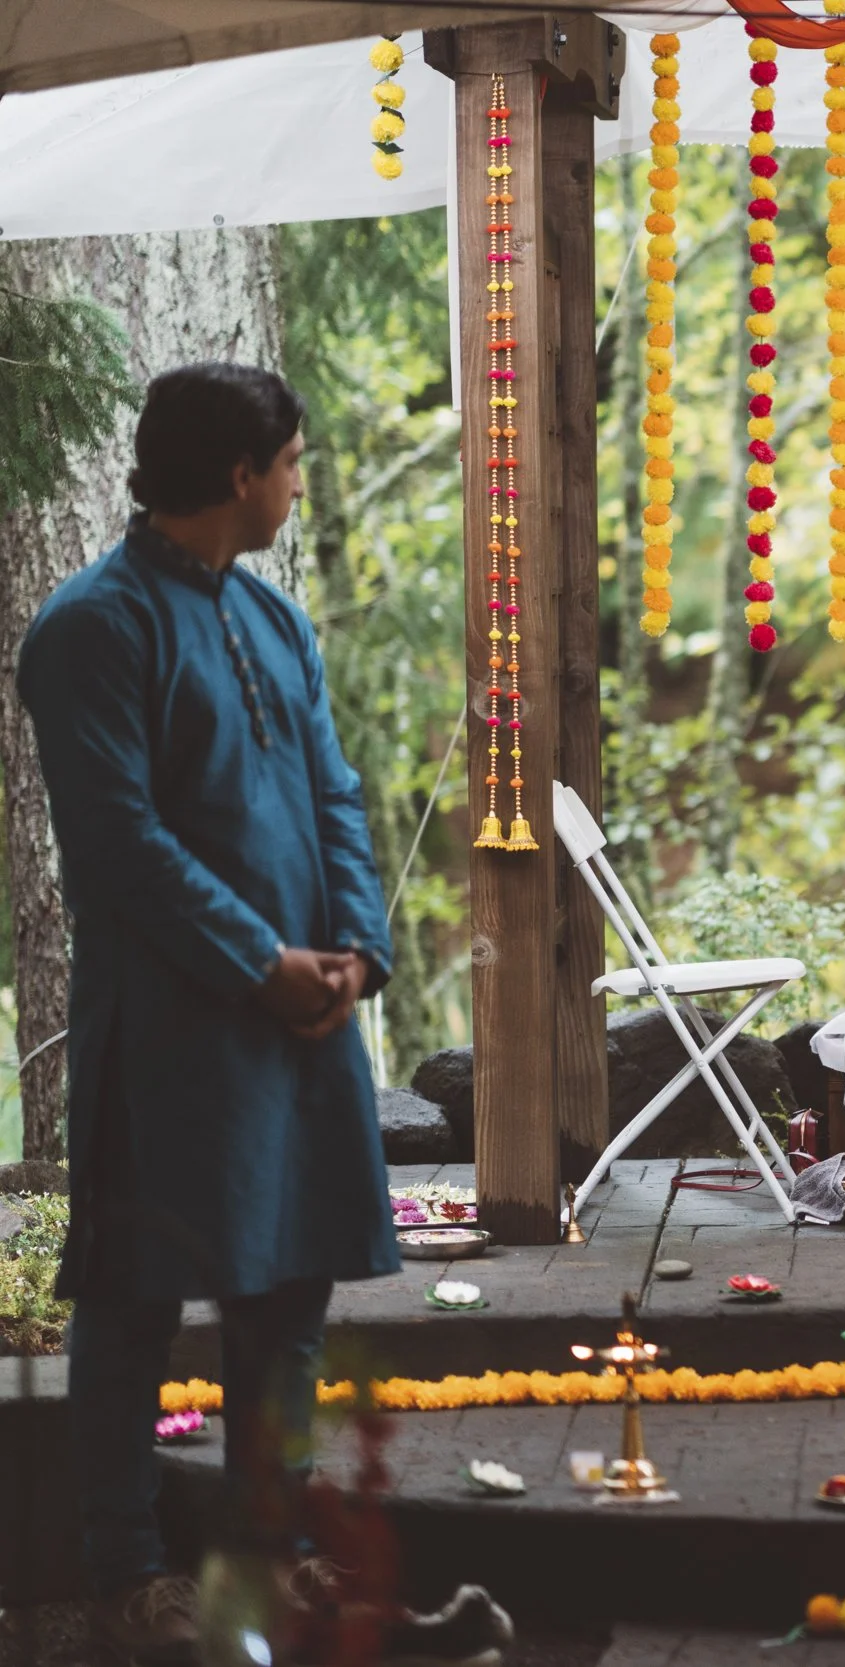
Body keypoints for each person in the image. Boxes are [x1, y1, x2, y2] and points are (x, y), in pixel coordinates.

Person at [18, 365, 400, 1664]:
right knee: (131, 1302)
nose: (299, 481)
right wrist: (262, 963)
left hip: (300, 1023)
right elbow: (118, 845)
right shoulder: (90, 628)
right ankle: (128, 1574)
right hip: (174, 1033)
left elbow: (335, 792)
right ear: (240, 475)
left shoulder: (275, 619)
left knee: (287, 1297)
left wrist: (356, 949)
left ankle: (263, 1558)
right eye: (292, 461)